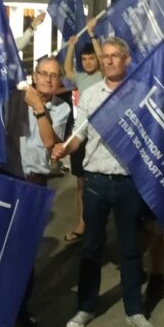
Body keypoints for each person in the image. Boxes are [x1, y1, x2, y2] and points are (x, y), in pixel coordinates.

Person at [52, 37, 158, 327]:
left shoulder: (140, 95)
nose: (110, 61)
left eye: (116, 56)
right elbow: (79, 135)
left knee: (129, 249)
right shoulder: (90, 95)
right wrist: (65, 147)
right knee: (91, 248)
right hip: (96, 180)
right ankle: (86, 306)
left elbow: (151, 138)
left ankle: (135, 310)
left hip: (129, 182)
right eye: (106, 57)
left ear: (126, 60)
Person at [16, 55, 71, 327]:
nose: (49, 79)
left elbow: (51, 143)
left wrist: (39, 108)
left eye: (54, 74)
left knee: (25, 251)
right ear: (34, 75)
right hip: (8, 179)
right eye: (44, 73)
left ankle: (20, 308)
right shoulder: (16, 99)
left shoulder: (61, 109)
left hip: (35, 182)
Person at [61, 21, 102, 243]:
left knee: (97, 184)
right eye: (84, 59)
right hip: (81, 133)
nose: (87, 62)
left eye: (91, 58)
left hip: (100, 135)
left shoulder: (103, 75)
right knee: (80, 183)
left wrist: (93, 36)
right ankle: (82, 223)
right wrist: (71, 47)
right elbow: (67, 70)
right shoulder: (82, 77)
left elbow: (105, 62)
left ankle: (97, 226)